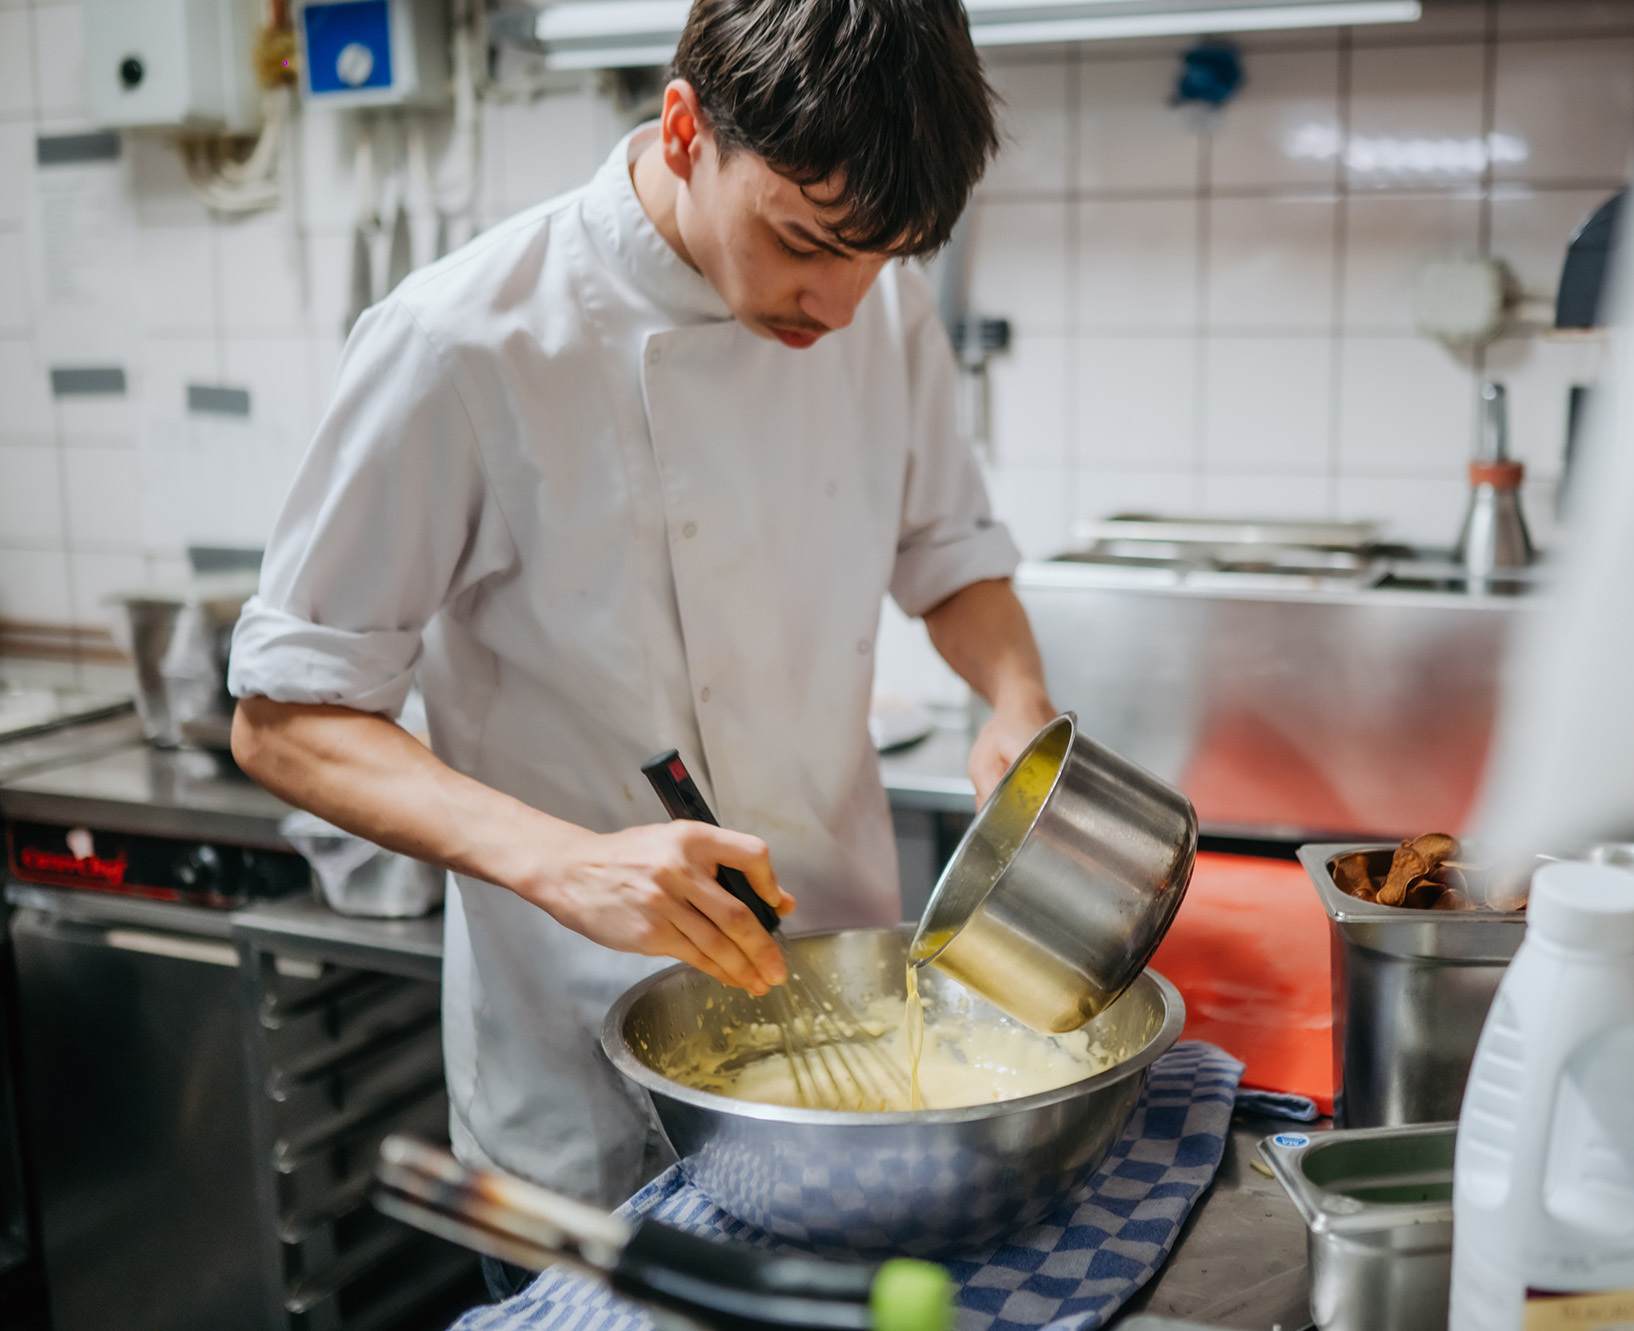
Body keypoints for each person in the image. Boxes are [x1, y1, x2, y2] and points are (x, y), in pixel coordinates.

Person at [226, 0, 1055, 1270]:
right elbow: (286, 719)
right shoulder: (462, 341)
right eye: (800, 240)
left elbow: (947, 554)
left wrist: (1012, 695)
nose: (833, 303)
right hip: (580, 1071)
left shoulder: (876, 303)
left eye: (876, 257)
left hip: (846, 1042)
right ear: (683, 129)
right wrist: (568, 863)